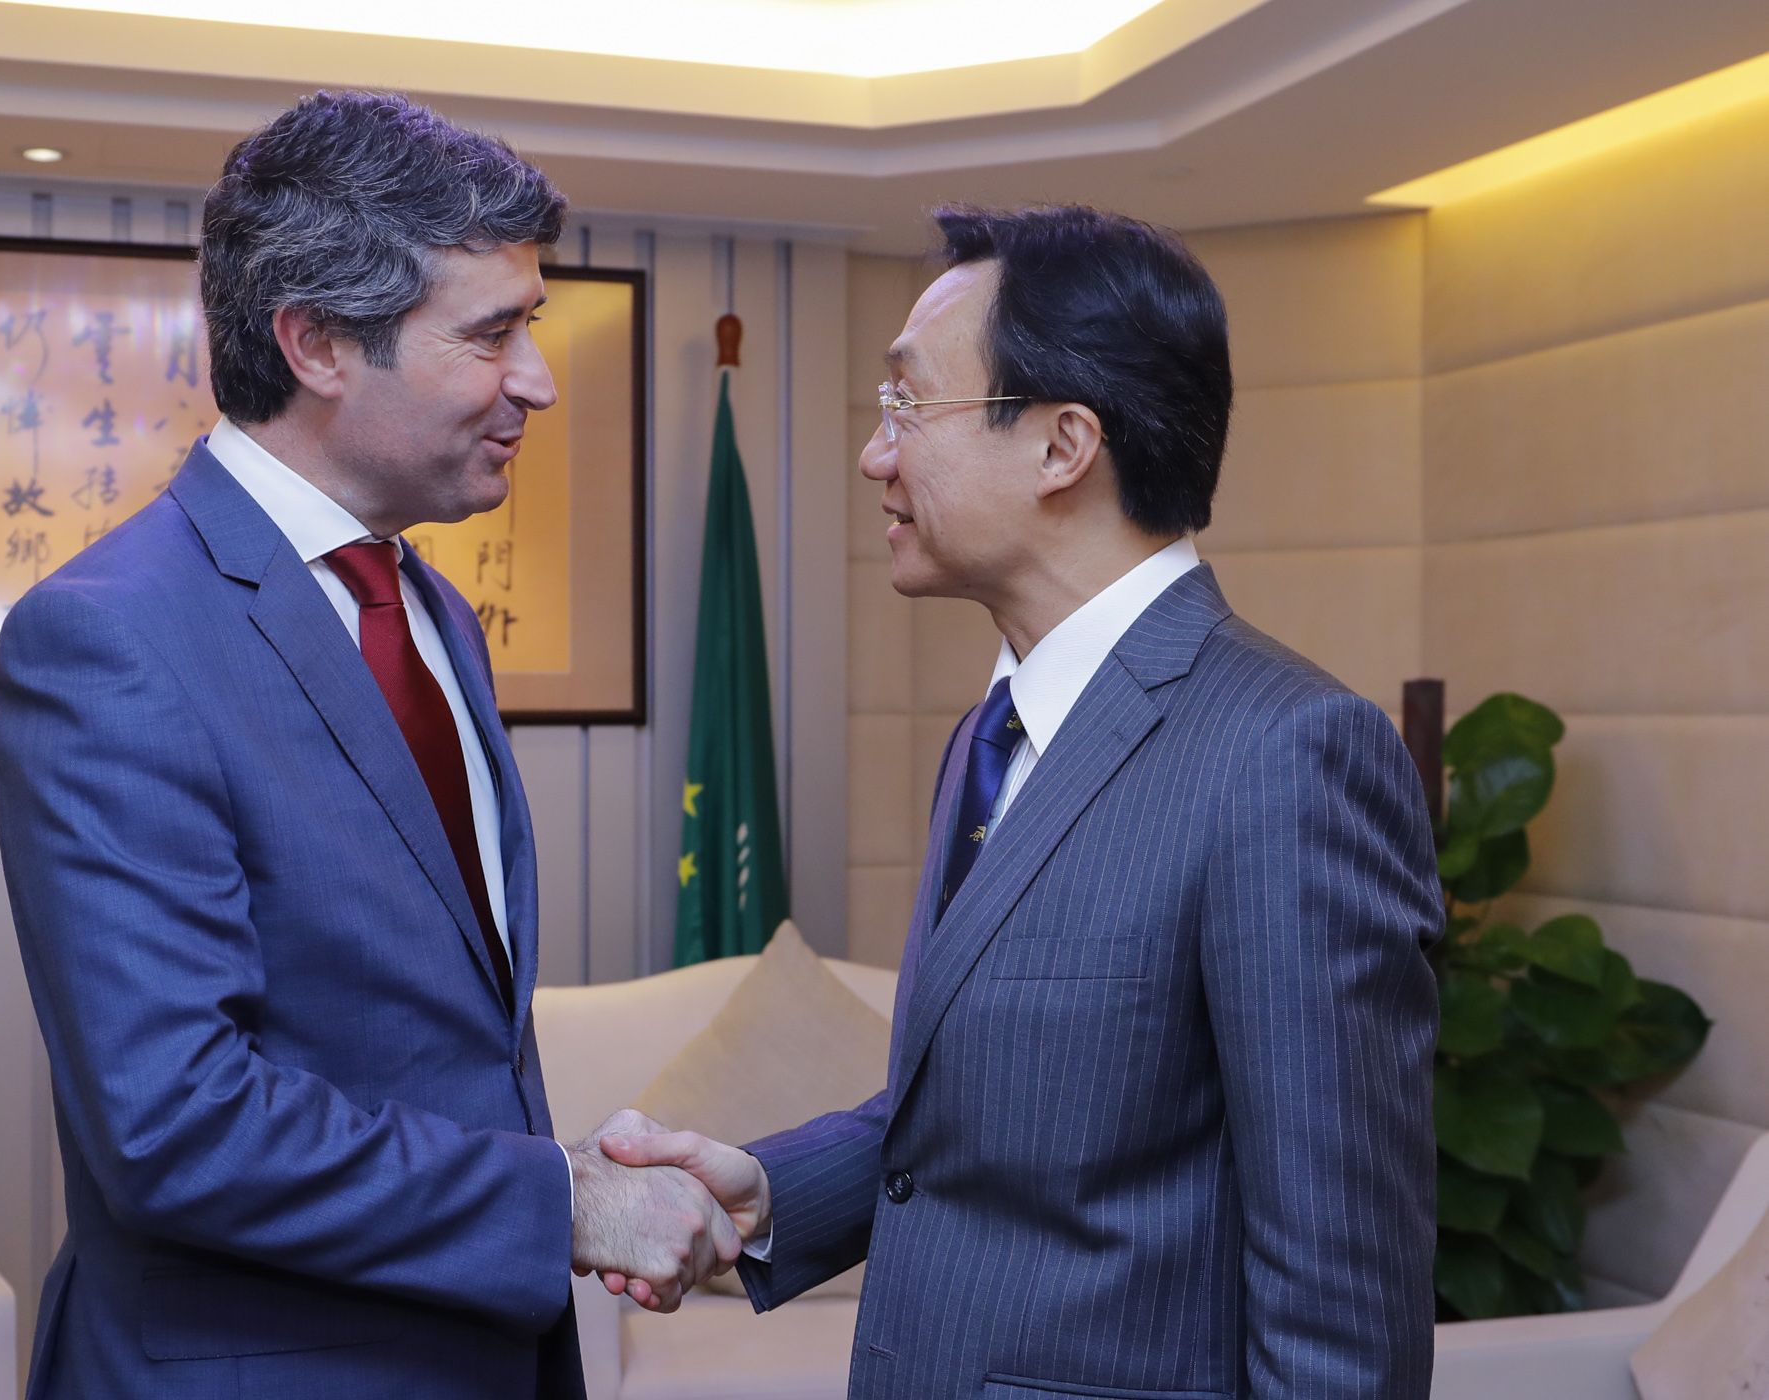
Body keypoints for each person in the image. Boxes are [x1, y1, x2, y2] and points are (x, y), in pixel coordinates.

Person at [602, 204, 1441, 1398]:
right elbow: (982, 1114)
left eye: (907, 404)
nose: (875, 454)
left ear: (1062, 445)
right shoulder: (992, 735)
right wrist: (774, 1190)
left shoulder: (1288, 753)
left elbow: (1340, 1309)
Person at [0, 91, 733, 1400]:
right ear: (319, 343)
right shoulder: (111, 638)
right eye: (492, 333)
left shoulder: (434, 611)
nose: (538, 381)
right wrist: (558, 1201)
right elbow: (173, 1123)